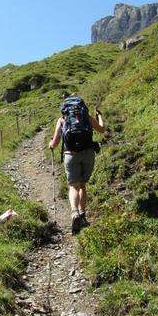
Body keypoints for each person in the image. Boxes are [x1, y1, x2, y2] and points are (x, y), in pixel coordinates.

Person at [48, 97, 105, 234]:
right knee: (83, 185)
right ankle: (82, 214)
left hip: (71, 155)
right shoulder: (87, 118)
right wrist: (99, 116)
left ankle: (74, 213)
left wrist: (50, 145)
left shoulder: (62, 120)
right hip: (88, 154)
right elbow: (102, 129)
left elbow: (55, 142)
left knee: (74, 186)